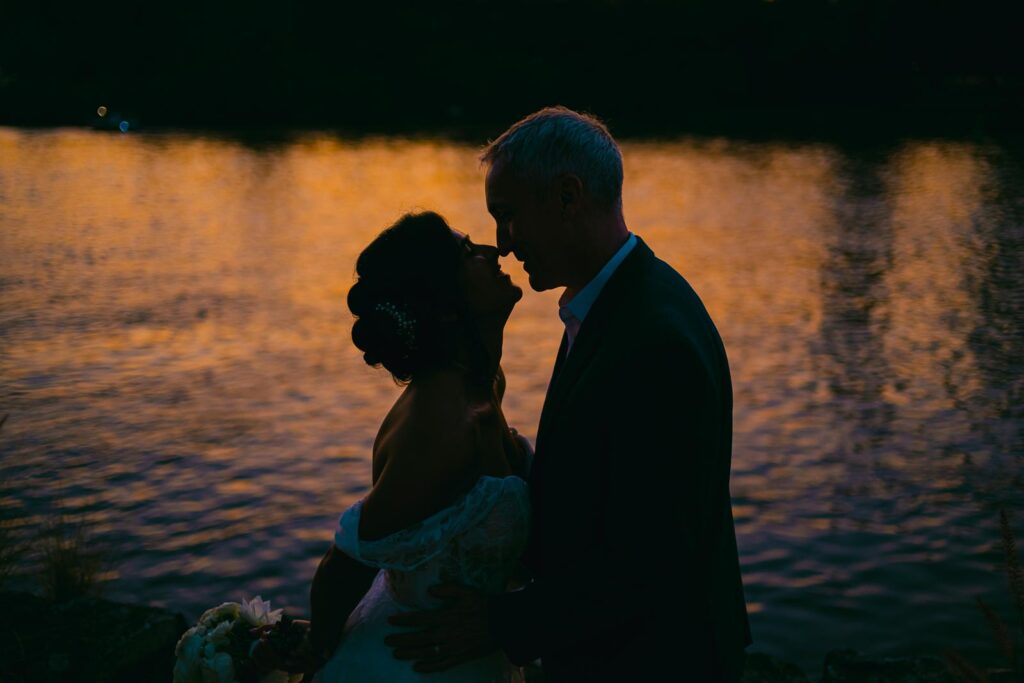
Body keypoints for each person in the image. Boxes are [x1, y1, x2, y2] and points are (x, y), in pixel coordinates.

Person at [385, 107, 752, 681]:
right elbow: (608, 486)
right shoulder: (613, 305)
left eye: (507, 217)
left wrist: (503, 625)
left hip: (652, 660)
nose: (502, 244)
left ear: (567, 196)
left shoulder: (655, 338)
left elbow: (653, 555)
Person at [278, 211, 533, 682]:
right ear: (443, 305)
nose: (493, 253)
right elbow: (346, 563)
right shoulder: (442, 421)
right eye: (468, 251)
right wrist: (319, 647)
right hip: (409, 665)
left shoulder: (483, 385)